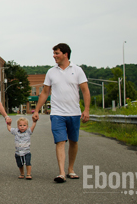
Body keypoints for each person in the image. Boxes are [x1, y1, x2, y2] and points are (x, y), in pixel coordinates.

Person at [33, 43, 92, 183]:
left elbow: (85, 91)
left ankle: (71, 169)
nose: (54, 56)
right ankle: (61, 172)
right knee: (60, 141)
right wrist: (36, 110)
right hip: (57, 113)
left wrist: (87, 110)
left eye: (57, 53)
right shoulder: (51, 72)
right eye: (54, 53)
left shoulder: (77, 71)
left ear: (65, 54)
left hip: (74, 113)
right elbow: (45, 93)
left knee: (73, 141)